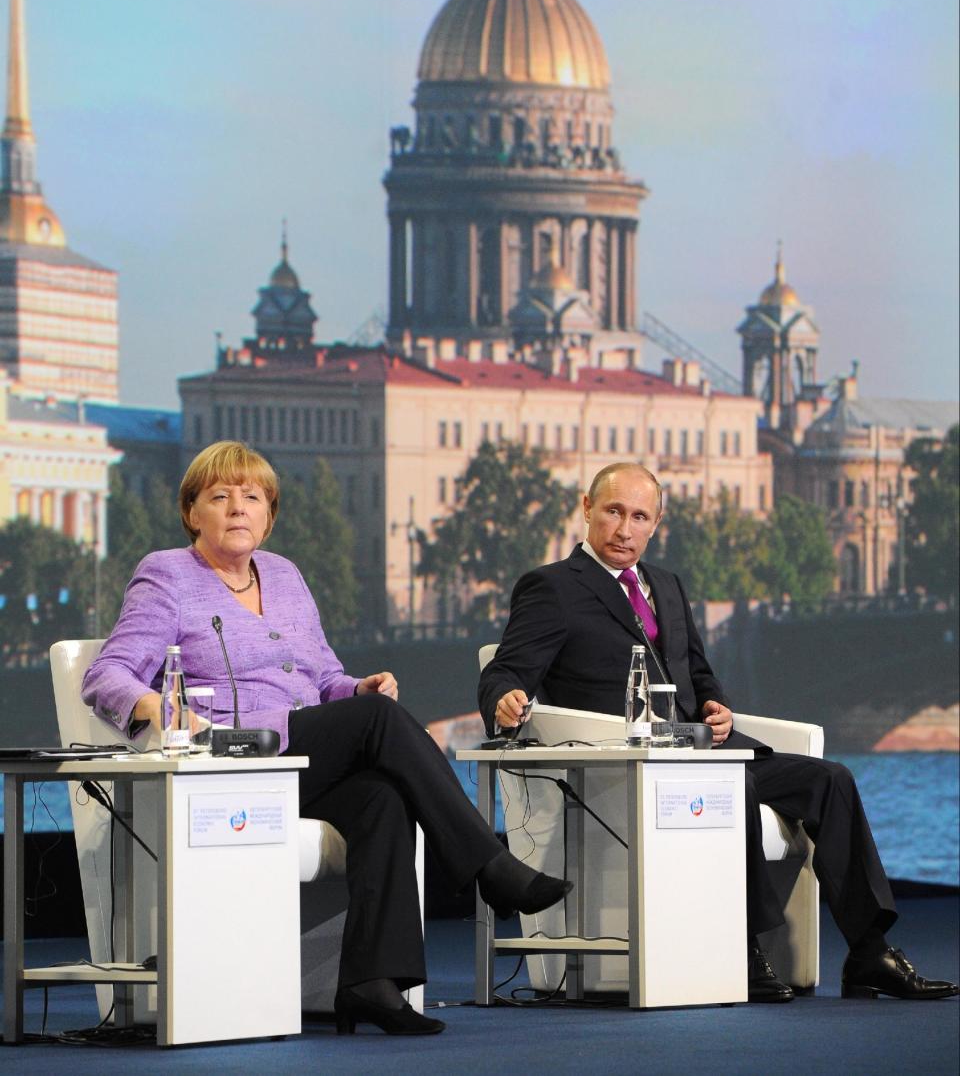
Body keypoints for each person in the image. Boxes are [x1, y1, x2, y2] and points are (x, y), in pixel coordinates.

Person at [82, 441, 570, 1037]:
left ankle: (372, 980)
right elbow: (105, 675)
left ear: (268, 515)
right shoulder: (168, 575)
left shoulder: (285, 575)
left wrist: (355, 686)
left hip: (299, 757)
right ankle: (490, 866)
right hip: (232, 756)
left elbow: (322, 675)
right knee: (381, 724)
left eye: (252, 497)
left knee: (382, 798)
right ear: (193, 513)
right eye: (220, 497)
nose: (238, 507)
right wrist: (163, 708)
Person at [479, 461, 959, 1005]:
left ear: (656, 523)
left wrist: (717, 707)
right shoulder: (552, 588)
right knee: (734, 787)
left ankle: (869, 949)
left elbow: (699, 675)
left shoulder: (666, 584)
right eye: (613, 511)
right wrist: (503, 698)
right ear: (587, 509)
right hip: (630, 766)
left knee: (832, 780)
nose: (624, 529)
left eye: (639, 516)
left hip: (707, 748)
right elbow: (505, 670)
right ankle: (745, 948)